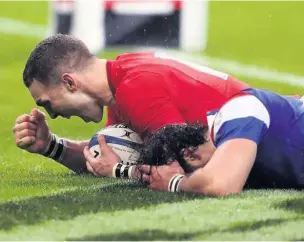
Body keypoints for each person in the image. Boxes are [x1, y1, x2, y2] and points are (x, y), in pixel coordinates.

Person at [13, 34, 250, 177]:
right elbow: (112, 154)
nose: (53, 115)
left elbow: (177, 170)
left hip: (276, 137)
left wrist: (120, 171)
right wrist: (52, 146)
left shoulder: (135, 90)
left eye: (48, 104)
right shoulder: (120, 80)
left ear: (69, 82)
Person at [138, 87, 304, 196]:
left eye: (187, 174)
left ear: (190, 154)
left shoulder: (236, 113)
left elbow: (220, 185)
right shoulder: (234, 125)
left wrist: (174, 182)